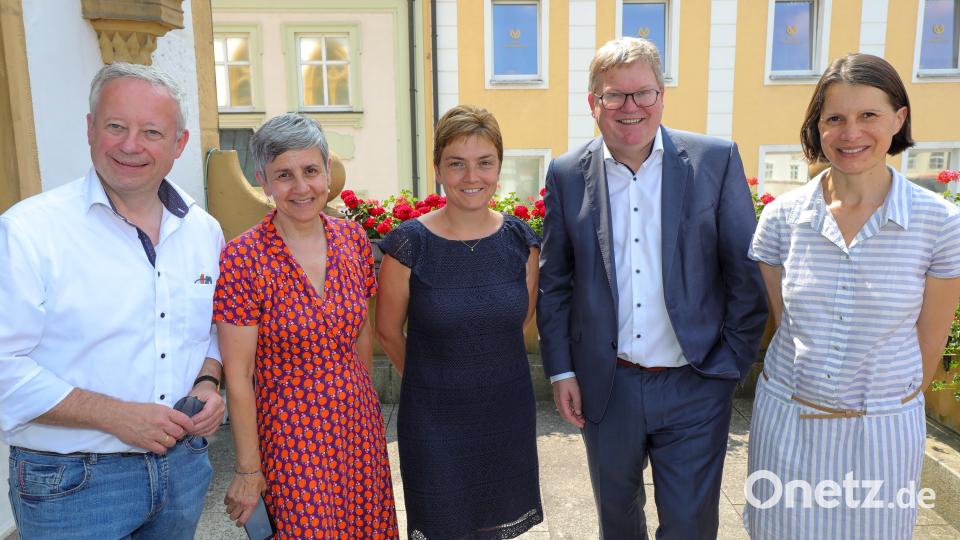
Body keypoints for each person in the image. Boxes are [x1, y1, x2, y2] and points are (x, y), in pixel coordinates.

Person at [537, 37, 768, 539]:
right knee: (617, 524)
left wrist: (726, 366)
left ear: (662, 96)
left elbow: (745, 276)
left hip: (695, 382)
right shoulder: (565, 174)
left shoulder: (715, 160)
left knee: (689, 526)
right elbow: (555, 284)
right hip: (607, 384)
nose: (630, 107)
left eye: (643, 93)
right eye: (614, 96)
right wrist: (561, 370)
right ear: (592, 103)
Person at [0, 62, 225, 539]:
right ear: (89, 129)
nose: (130, 145)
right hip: (73, 484)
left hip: (183, 471)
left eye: (151, 132)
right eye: (116, 126)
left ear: (179, 144)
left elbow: (210, 328)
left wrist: (208, 381)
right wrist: (117, 416)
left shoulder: (204, 231)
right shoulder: (28, 231)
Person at [744, 53, 960, 540]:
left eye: (869, 116)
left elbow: (929, 346)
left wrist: (882, 403)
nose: (850, 133)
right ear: (817, 127)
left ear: (899, 119)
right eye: (834, 118)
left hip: (882, 434)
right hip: (788, 425)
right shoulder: (781, 218)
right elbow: (786, 323)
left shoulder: (939, 224)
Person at [215, 113, 398, 539]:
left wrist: (362, 403)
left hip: (359, 428)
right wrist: (248, 468)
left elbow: (361, 335)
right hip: (292, 437)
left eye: (311, 171)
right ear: (264, 180)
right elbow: (238, 377)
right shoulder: (243, 258)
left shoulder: (352, 240)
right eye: (284, 175)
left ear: (327, 173)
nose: (301, 187)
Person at [376, 104, 544, 539]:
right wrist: (428, 380)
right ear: (438, 169)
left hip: (504, 412)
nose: (472, 176)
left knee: (494, 530)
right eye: (457, 164)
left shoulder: (520, 242)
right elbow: (387, 331)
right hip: (434, 419)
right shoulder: (408, 244)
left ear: (498, 167)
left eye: (484, 162)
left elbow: (521, 318)